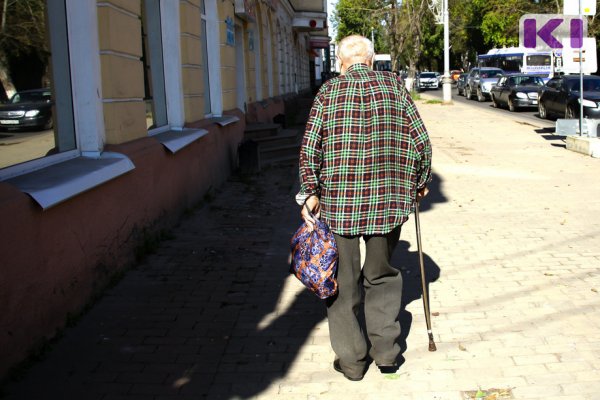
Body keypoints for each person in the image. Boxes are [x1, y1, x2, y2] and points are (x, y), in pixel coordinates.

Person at [296, 35, 432, 381]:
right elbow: (421, 142)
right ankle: (386, 354)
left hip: (339, 206)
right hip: (387, 202)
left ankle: (353, 361)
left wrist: (309, 191)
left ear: (342, 63)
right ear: (371, 61)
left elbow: (309, 147)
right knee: (382, 276)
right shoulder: (395, 88)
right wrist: (418, 182)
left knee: (342, 283)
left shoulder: (328, 93)